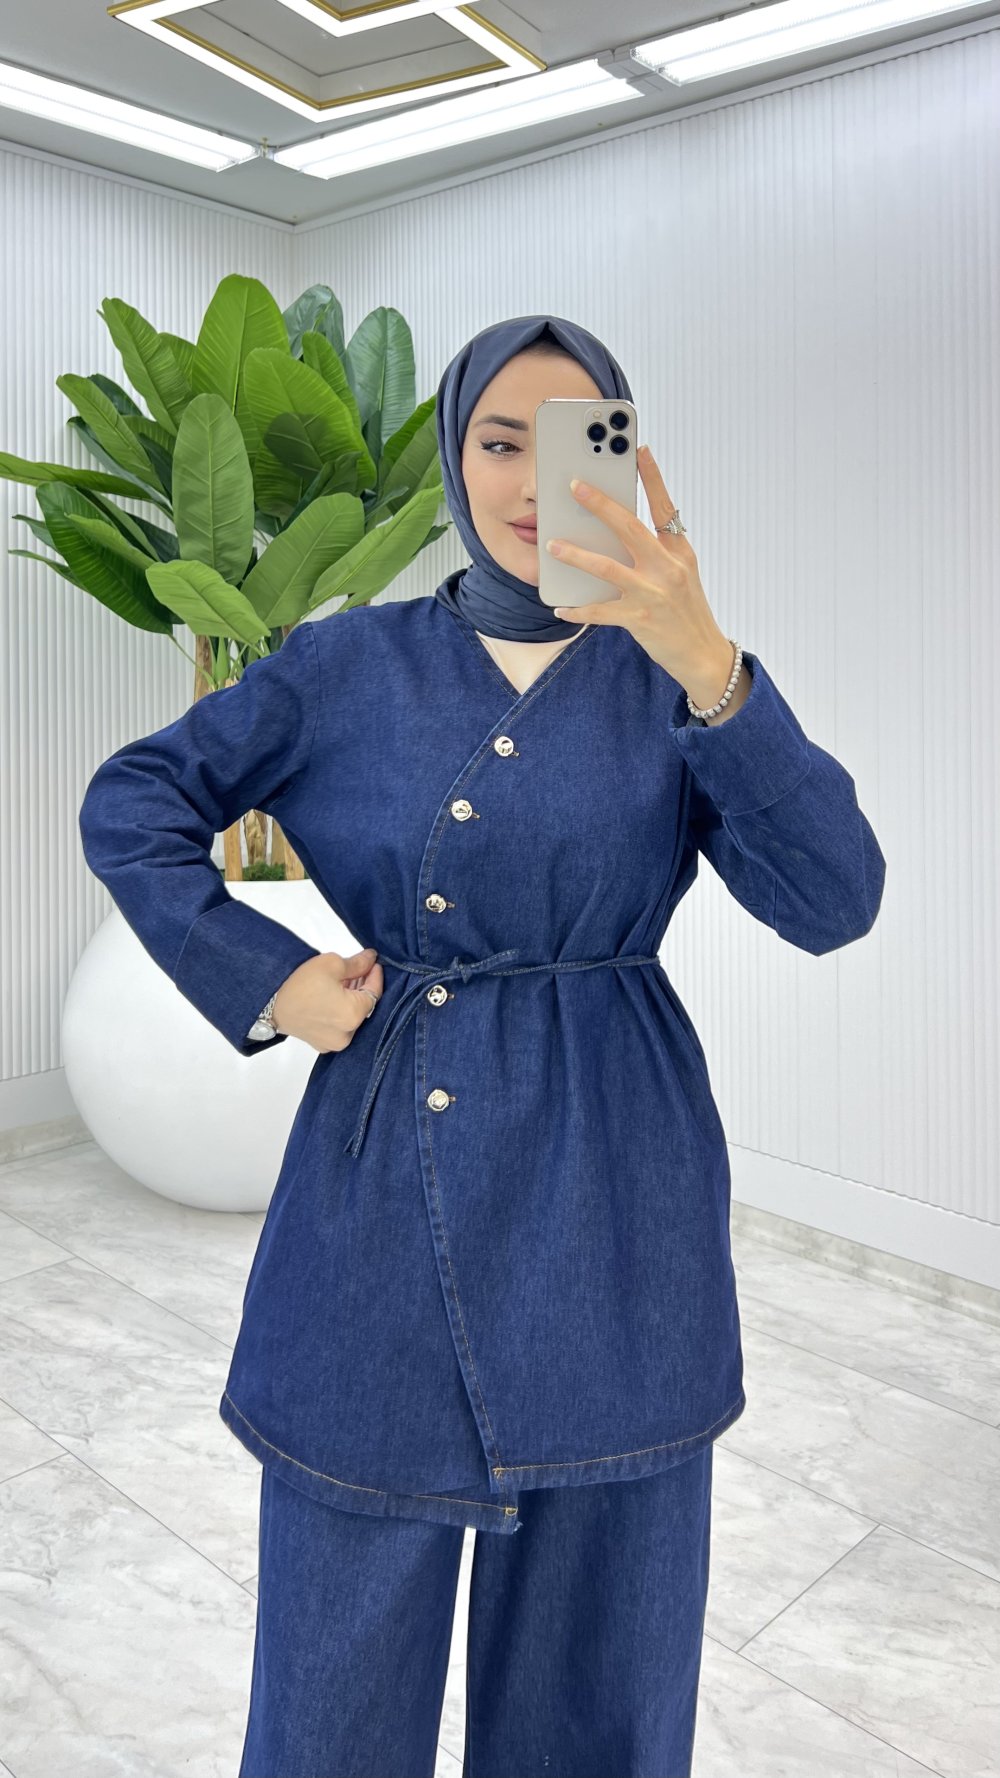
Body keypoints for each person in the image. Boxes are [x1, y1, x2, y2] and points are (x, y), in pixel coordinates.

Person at [78, 313, 887, 1777]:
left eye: (578, 442)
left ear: (626, 462)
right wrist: (269, 979)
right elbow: (133, 800)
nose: (531, 481)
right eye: (499, 441)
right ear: (455, 459)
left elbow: (837, 901)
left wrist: (709, 660)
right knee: (335, 1679)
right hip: (383, 1185)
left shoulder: (672, 673)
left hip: (616, 1186)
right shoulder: (348, 666)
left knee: (604, 1678)